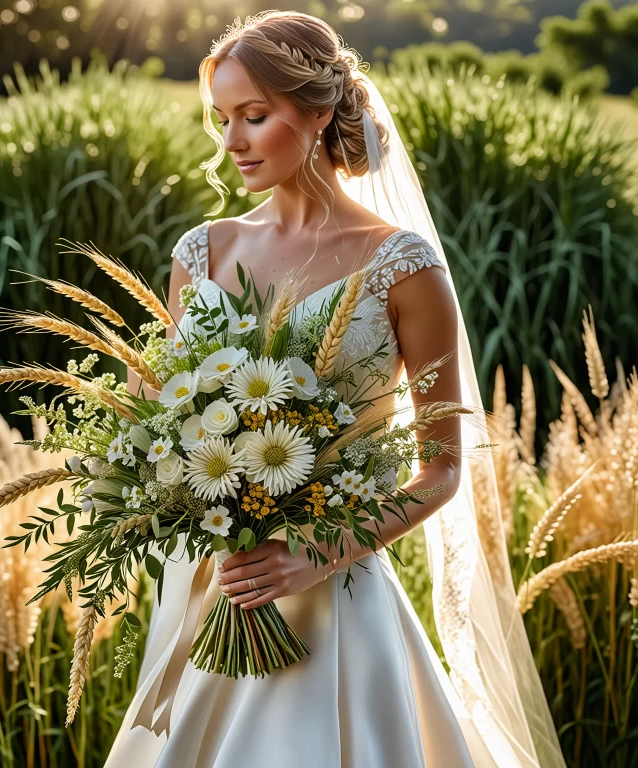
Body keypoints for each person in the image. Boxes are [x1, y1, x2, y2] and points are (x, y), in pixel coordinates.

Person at [105, 11, 565, 768]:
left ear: (319, 111)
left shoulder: (403, 266)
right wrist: (163, 485)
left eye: (254, 116)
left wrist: (313, 554)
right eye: (221, 120)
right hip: (213, 590)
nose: (232, 143)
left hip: (333, 602)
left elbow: (442, 470)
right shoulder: (201, 252)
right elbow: (153, 420)